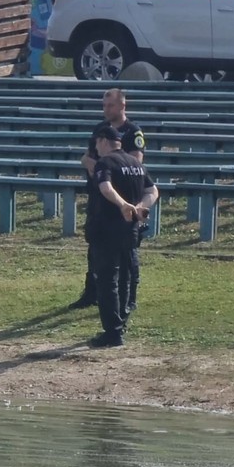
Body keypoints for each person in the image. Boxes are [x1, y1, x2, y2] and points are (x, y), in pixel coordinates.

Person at [69, 88, 146, 310]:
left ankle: (129, 298)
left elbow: (136, 162)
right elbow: (86, 158)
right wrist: (99, 167)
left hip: (124, 199)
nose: (106, 109)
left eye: (110, 105)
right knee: (95, 244)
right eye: (104, 105)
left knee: (127, 251)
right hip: (99, 196)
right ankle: (91, 292)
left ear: (122, 105)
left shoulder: (133, 132)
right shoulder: (100, 129)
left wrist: (106, 168)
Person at [88, 126, 158, 347]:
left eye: (96, 143)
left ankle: (113, 332)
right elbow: (153, 191)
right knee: (125, 278)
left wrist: (122, 205)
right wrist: (140, 207)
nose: (95, 148)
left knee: (107, 280)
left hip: (106, 229)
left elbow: (105, 187)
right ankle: (122, 322)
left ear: (103, 141)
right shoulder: (135, 163)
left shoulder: (105, 163)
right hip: (130, 229)